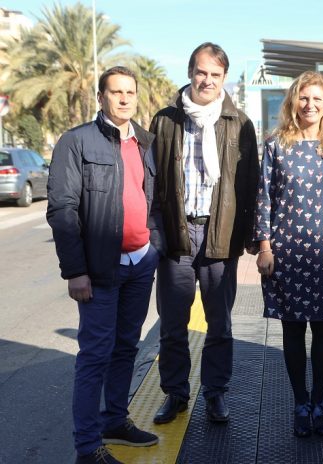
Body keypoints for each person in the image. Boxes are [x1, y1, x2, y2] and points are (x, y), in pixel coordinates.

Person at [47, 66, 164, 464]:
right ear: (101, 97)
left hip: (140, 263)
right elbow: (63, 210)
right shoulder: (76, 141)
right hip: (99, 270)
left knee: (126, 347)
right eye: (116, 92)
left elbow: (154, 201)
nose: (124, 98)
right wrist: (75, 270)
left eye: (130, 92)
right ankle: (86, 447)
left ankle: (115, 420)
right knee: (95, 354)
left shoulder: (146, 142)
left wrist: (156, 246)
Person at [149, 42, 259, 425]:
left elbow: (249, 183)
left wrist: (247, 236)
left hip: (220, 235)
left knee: (220, 324)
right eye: (201, 72)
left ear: (224, 77)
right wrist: (156, 235)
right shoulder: (165, 121)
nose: (207, 80)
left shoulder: (240, 123)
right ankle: (175, 394)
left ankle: (215, 394)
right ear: (190, 72)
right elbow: (154, 183)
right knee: (173, 324)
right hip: (177, 238)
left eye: (215, 74)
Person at [254, 71, 323, 438]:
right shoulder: (275, 145)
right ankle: (300, 402)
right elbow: (263, 198)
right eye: (303, 98)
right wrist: (264, 247)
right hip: (287, 253)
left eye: (318, 99)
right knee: (293, 329)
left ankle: (320, 401)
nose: (310, 105)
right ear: (293, 101)